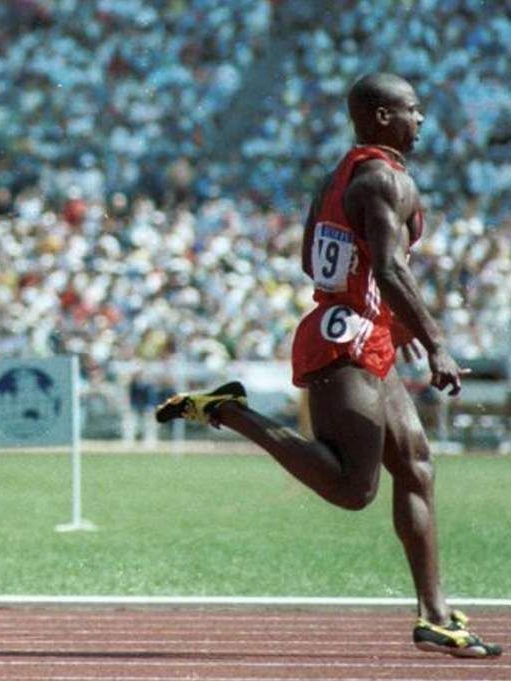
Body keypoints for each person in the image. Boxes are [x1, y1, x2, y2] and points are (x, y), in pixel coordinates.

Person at [155, 73, 501, 658]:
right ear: (383, 117)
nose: (421, 121)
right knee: (351, 488)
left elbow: (315, 258)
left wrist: (388, 322)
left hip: (355, 330)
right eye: (412, 110)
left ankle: (435, 616)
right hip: (346, 342)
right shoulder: (386, 179)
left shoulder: (334, 179)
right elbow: (390, 269)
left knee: (416, 465)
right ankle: (232, 412)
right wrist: (433, 339)